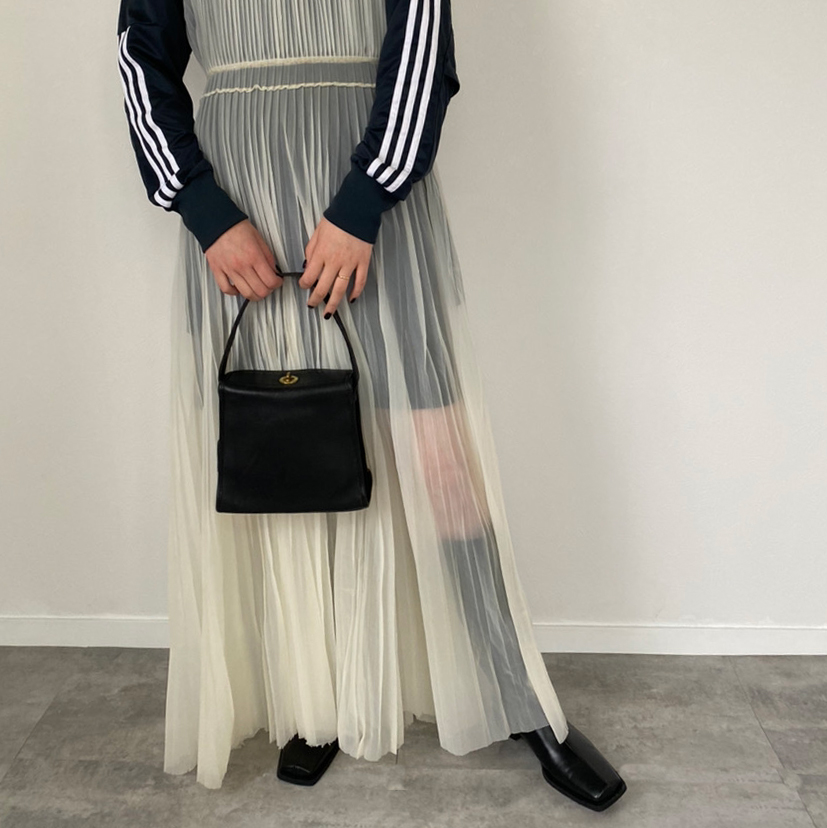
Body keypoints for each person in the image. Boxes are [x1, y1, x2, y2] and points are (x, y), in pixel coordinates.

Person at [115, 0, 626, 811]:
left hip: (366, 197)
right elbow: (142, 62)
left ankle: (516, 697)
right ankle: (315, 701)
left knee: (433, 443)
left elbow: (422, 47)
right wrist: (204, 213)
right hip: (240, 201)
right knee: (285, 445)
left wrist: (362, 203)